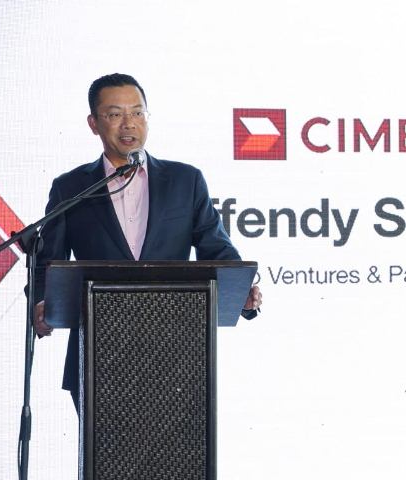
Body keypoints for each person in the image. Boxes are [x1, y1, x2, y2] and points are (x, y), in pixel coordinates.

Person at [32, 73, 261, 410]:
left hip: (176, 357)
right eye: (115, 114)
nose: (129, 123)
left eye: (137, 112)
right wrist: (41, 302)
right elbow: (46, 263)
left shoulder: (185, 180)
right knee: (106, 447)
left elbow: (216, 246)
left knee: (178, 446)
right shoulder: (72, 188)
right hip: (97, 356)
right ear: (94, 123)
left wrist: (240, 289)